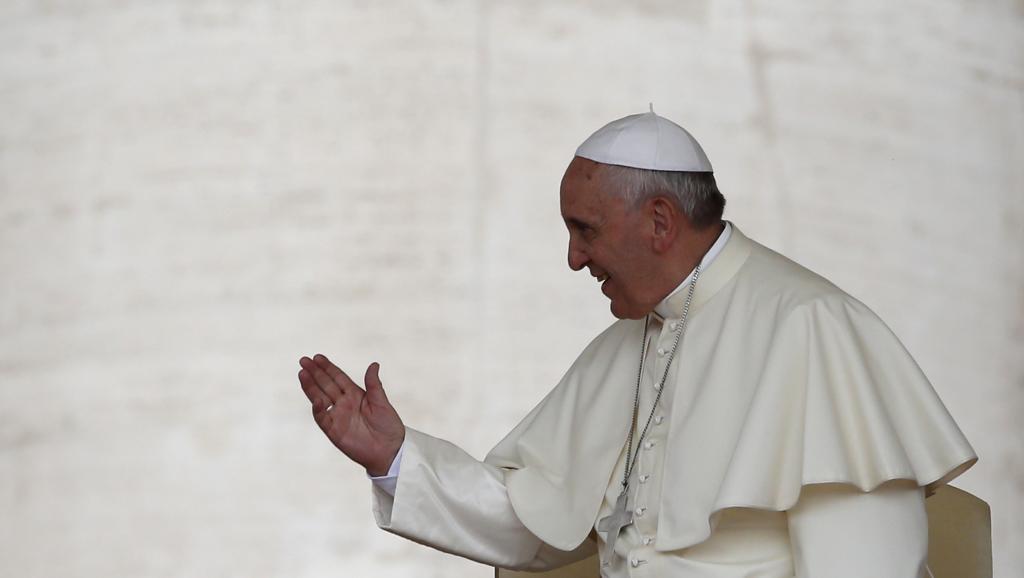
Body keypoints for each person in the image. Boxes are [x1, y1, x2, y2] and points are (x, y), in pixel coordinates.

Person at [297, 109, 977, 577]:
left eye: (583, 229)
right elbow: (537, 521)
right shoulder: (625, 345)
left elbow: (868, 567)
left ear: (658, 221)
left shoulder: (813, 327)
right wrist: (395, 457)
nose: (572, 258)